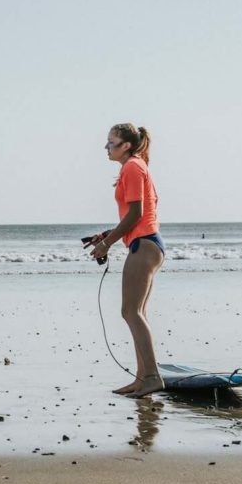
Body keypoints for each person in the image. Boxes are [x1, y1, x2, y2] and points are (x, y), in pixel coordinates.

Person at [88, 124, 164, 398]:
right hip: (146, 243)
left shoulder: (133, 166)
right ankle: (142, 378)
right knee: (136, 312)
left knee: (130, 312)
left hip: (143, 246)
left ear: (126, 145)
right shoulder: (135, 166)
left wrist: (107, 244)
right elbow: (135, 217)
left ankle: (152, 377)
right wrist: (107, 235)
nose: (106, 147)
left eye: (111, 142)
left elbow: (136, 214)